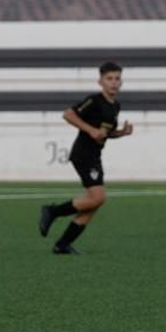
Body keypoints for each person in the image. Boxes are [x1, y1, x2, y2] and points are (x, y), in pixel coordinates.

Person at [38, 61, 134, 254]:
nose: (114, 83)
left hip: (94, 155)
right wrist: (90, 130)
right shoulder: (94, 100)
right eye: (109, 79)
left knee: (94, 202)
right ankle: (52, 211)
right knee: (98, 197)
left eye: (117, 79)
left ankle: (62, 244)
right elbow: (68, 114)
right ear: (100, 81)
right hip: (83, 154)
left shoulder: (115, 106)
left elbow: (104, 133)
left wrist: (121, 133)